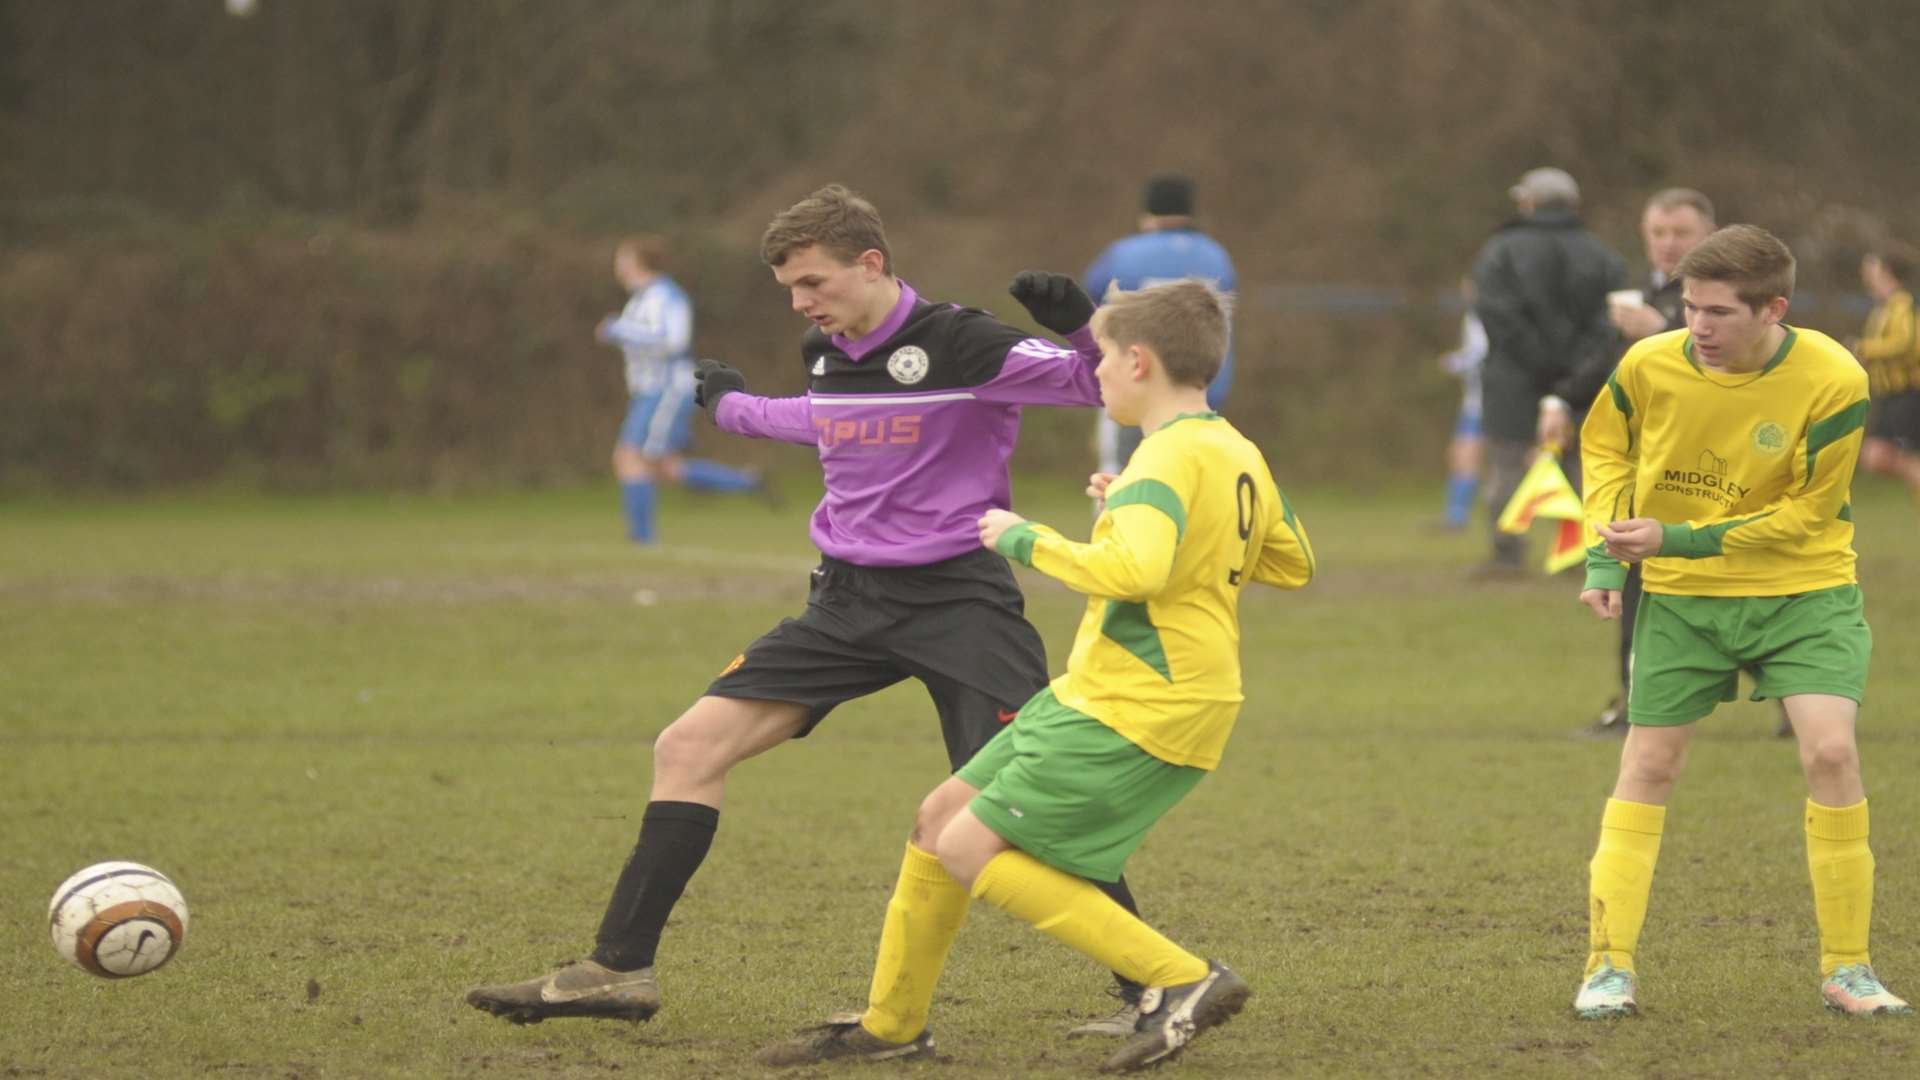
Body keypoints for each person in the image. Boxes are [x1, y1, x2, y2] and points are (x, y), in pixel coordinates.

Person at [467, 185, 1150, 1031]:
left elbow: (1099, 385)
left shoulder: (965, 343)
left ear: (872, 264)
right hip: (845, 605)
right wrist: (729, 408)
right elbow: (818, 421)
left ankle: (1153, 987)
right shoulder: (830, 353)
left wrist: (1081, 324)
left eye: (814, 284)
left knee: (1024, 798)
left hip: (958, 604)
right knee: (686, 747)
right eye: (790, 289)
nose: (802, 304)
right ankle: (618, 969)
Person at [754, 279, 1314, 1071]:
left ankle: (1182, 979)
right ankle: (891, 1026)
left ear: (1141, 361)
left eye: (1106, 357)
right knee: (937, 820)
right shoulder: (1230, 447)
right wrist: (1147, 514)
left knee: (969, 848)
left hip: (1142, 698)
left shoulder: (1162, 456)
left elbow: (1136, 571)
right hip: (1101, 690)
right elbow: (1291, 561)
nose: (1097, 373)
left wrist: (1025, 538)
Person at [1571, 224, 1910, 1021]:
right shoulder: (1647, 363)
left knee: (1831, 752)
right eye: (1689, 307)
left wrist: (1673, 537)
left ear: (1774, 309)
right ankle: (1607, 967)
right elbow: (1606, 452)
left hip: (1803, 590)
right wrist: (1604, 555)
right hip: (1686, 600)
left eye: (1719, 312)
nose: (1698, 328)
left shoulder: (1835, 377)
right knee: (1649, 766)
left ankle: (1848, 969)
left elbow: (1807, 514)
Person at [1552, 189, 1717, 736]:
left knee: (1744, 577)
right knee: (1634, 576)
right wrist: (1558, 400)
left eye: (1681, 233)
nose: (1669, 244)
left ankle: (1796, 694)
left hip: (1711, 467)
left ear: (1707, 236)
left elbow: (1733, 370)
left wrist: (1660, 333)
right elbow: (1605, 362)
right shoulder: (1644, 293)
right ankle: (1635, 700)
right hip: (1644, 465)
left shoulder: (1720, 300)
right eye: (1659, 233)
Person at [1469, 167, 1626, 577]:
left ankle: (1507, 555)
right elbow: (1609, 323)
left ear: (1528, 202)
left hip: (1511, 377)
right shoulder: (1603, 255)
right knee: (1583, 467)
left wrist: (1535, 361)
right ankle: (1581, 555)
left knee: (1506, 467)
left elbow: (1497, 315)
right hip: (1582, 380)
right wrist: (1572, 372)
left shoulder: (1499, 250)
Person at [596, 235, 766, 543]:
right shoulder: (640, 298)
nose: (617, 266)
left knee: (630, 458)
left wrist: (619, 330)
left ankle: (642, 540)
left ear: (637, 261)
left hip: (667, 389)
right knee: (666, 468)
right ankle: (746, 482)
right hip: (649, 391)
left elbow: (672, 341)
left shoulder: (667, 296)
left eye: (622, 258)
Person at [1085, 174, 1236, 481]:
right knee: (1193, 485)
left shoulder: (1124, 253)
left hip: (1135, 385)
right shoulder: (1217, 256)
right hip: (1201, 391)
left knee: (1121, 483)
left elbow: (1087, 310)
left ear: (1147, 214)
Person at [1852, 244, 1920, 504]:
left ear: (1886, 270)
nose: (1865, 272)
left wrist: (1865, 348)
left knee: (1882, 456)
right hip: (1891, 396)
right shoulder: (1883, 307)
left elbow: (1907, 343)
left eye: (1871, 265)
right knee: (1877, 457)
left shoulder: (1903, 303)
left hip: (1908, 394)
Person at [1437, 277, 1488, 529]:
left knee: (1466, 453)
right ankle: (1455, 515)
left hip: (1486, 402)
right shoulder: (1473, 314)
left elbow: (1481, 352)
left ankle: (1457, 517)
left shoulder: (1484, 315)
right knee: (1459, 453)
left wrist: (1455, 362)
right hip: (1474, 401)